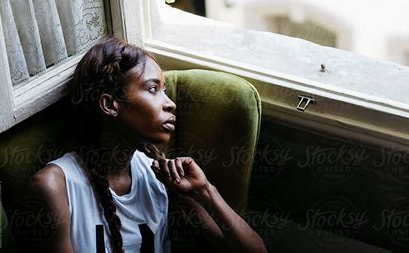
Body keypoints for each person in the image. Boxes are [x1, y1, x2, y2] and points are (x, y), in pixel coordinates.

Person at [28, 36, 267, 253]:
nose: (170, 104)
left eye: (165, 91)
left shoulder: (159, 176)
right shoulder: (56, 185)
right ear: (110, 105)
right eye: (153, 89)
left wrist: (204, 191)